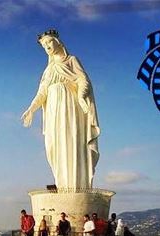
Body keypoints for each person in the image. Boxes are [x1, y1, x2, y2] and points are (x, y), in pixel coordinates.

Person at [20, 29, 100, 189]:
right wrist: (31, 109)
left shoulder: (71, 60)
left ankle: (78, 184)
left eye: (49, 42)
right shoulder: (48, 70)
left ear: (57, 41)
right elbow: (42, 93)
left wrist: (81, 96)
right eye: (43, 45)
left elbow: (83, 80)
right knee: (55, 145)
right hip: (53, 112)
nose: (47, 46)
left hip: (71, 108)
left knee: (73, 141)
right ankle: (62, 184)